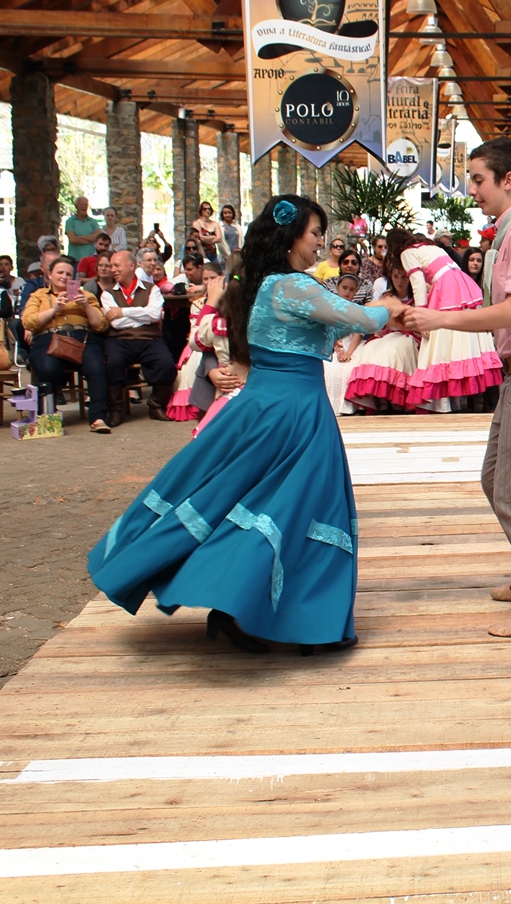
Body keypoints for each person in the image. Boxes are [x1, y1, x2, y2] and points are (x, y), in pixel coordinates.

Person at [88, 195, 403, 654]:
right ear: (291, 237)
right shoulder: (291, 286)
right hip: (292, 412)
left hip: (273, 406)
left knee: (266, 505)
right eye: (315, 233)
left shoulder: (271, 286)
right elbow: (356, 317)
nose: (320, 242)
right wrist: (387, 307)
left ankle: (258, 612)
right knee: (301, 507)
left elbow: (324, 328)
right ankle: (296, 620)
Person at [403, 137, 511, 638]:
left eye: (477, 179)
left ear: (508, 181)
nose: (471, 189)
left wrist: (439, 318)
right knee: (495, 479)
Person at [389, 227, 504, 411]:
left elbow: (417, 282)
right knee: (458, 337)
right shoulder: (429, 246)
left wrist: (421, 313)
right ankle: (451, 400)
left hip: (446, 287)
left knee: (438, 340)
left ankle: (439, 401)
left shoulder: (407, 253)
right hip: (460, 282)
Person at [23, 256, 111, 433]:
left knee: (97, 368)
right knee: (48, 368)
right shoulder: (39, 295)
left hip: (83, 338)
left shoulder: (86, 295)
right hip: (50, 338)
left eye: (68, 273)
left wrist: (86, 306)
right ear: (50, 274)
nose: (64, 276)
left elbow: (100, 325)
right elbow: (28, 322)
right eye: (60, 272)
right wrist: (54, 309)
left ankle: (97, 418)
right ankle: (49, 415)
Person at [101, 249, 177, 426]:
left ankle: (156, 403)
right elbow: (115, 324)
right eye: (112, 266)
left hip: (150, 340)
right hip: (119, 340)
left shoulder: (152, 290)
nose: (113, 269)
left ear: (131, 266)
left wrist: (123, 312)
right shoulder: (107, 294)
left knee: (166, 363)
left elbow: (155, 314)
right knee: (113, 363)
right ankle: (117, 409)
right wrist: (142, 317)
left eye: (116, 265)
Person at [345, 263, 420, 413]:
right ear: (391, 278)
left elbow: (417, 325)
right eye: (396, 277)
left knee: (394, 350)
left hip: (408, 336)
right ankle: (381, 399)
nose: (400, 281)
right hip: (386, 335)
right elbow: (377, 322)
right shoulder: (386, 298)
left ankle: (396, 398)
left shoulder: (416, 298)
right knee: (370, 349)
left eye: (403, 277)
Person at [166, 264, 228, 423]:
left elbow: (198, 338)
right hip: (209, 350)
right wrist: (211, 369)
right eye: (205, 279)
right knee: (196, 360)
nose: (209, 283)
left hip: (228, 361)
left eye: (213, 278)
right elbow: (197, 340)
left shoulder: (224, 311)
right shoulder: (198, 303)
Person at [63, 197, 101, 261]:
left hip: (91, 259)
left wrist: (78, 237)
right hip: (75, 259)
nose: (83, 206)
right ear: (76, 206)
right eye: (81, 204)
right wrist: (90, 239)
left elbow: (97, 237)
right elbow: (72, 239)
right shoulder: (70, 221)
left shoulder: (93, 222)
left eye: (85, 205)